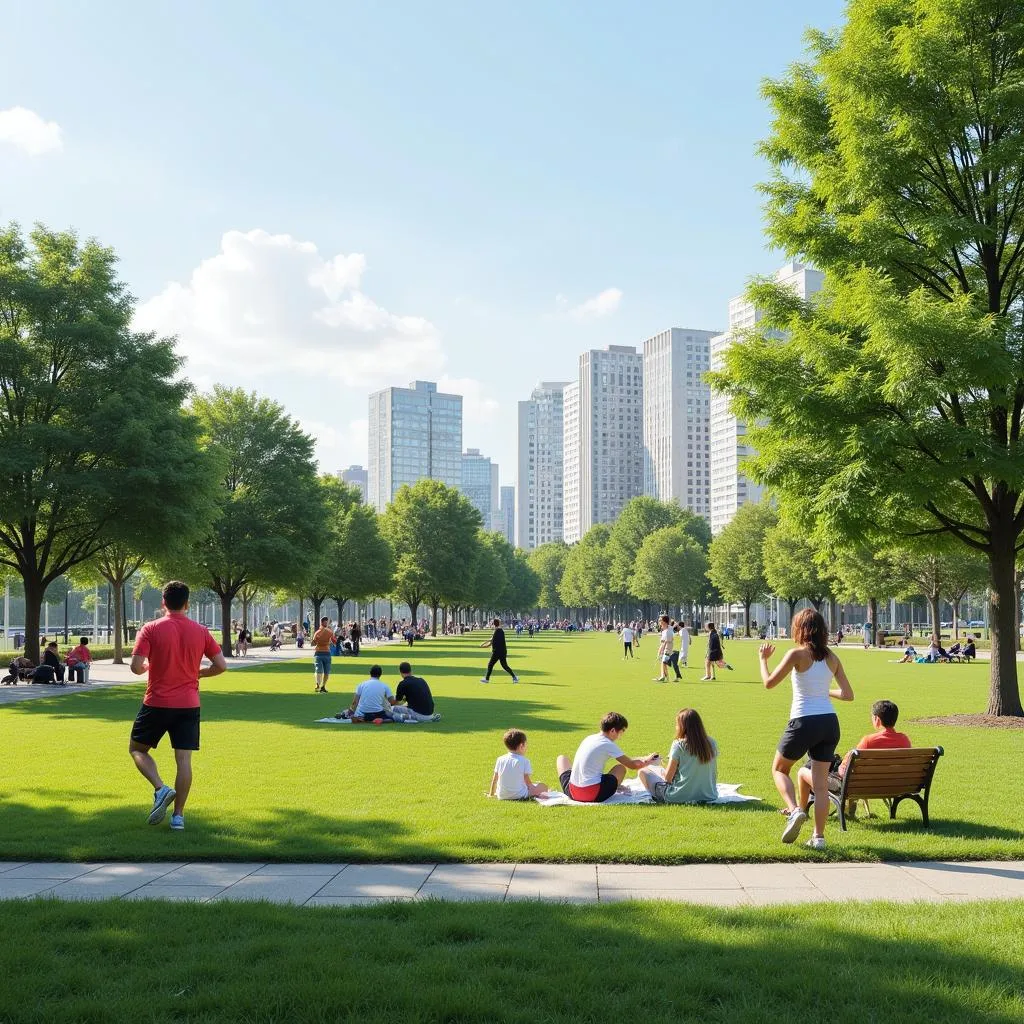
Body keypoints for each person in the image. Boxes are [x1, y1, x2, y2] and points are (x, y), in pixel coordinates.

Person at [128, 581, 227, 831]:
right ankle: (178, 817)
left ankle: (161, 789)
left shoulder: (150, 629)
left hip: (157, 701)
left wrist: (149, 668)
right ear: (187, 603)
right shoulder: (201, 631)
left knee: (138, 749)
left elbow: (136, 666)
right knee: (183, 760)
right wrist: (198, 674)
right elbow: (221, 666)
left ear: (163, 602)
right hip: (188, 704)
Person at [759, 608, 854, 851]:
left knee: (780, 769)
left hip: (804, 720)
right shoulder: (832, 658)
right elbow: (847, 695)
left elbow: (769, 683)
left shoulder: (797, 654)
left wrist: (763, 660)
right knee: (820, 785)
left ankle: (795, 811)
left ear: (800, 629)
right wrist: (824, 692)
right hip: (829, 722)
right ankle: (819, 838)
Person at [796, 699, 910, 816]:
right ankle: (849, 812)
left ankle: (801, 811)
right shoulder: (905, 740)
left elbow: (844, 770)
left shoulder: (868, 741)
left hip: (855, 786)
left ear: (877, 720)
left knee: (803, 772)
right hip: (895, 785)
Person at [555, 712, 659, 803]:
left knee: (562, 758)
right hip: (592, 794)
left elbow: (628, 759)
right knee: (620, 768)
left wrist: (644, 758)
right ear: (613, 730)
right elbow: (632, 764)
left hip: (572, 792)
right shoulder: (608, 744)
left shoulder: (590, 738)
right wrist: (648, 760)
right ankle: (613, 787)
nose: (620, 736)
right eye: (621, 732)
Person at [638, 707, 719, 804]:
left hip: (677, 796)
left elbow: (668, 778)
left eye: (677, 724)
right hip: (709, 795)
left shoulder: (679, 745)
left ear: (682, 726)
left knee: (643, 771)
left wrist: (657, 765)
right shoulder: (712, 743)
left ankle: (655, 798)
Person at [489, 729, 548, 800]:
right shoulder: (525, 761)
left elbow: (495, 779)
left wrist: (491, 794)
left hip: (502, 796)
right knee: (543, 786)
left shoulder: (500, 759)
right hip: (520, 795)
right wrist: (535, 790)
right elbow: (527, 781)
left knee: (535, 785)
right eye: (526, 744)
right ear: (521, 745)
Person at [480, 618, 518, 684]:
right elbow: (491, 640)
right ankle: (514, 677)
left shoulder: (498, 631)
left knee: (490, 664)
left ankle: (487, 679)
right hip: (502, 651)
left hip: (497, 652)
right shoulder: (499, 631)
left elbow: (491, 642)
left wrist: (483, 645)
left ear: (494, 624)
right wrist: (483, 644)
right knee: (504, 665)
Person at [311, 616, 334, 693]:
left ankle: (318, 684)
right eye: (326, 622)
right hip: (326, 653)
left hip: (319, 652)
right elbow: (334, 641)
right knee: (326, 671)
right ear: (325, 622)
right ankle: (323, 686)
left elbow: (313, 643)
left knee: (318, 670)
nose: (327, 623)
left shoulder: (317, 632)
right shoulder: (330, 632)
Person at [654, 614, 674, 682]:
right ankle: (666, 678)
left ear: (664, 622)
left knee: (663, 662)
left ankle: (663, 677)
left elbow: (665, 643)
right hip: (665, 649)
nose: (659, 621)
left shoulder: (668, 631)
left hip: (667, 650)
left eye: (660, 620)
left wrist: (661, 651)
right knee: (663, 663)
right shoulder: (665, 631)